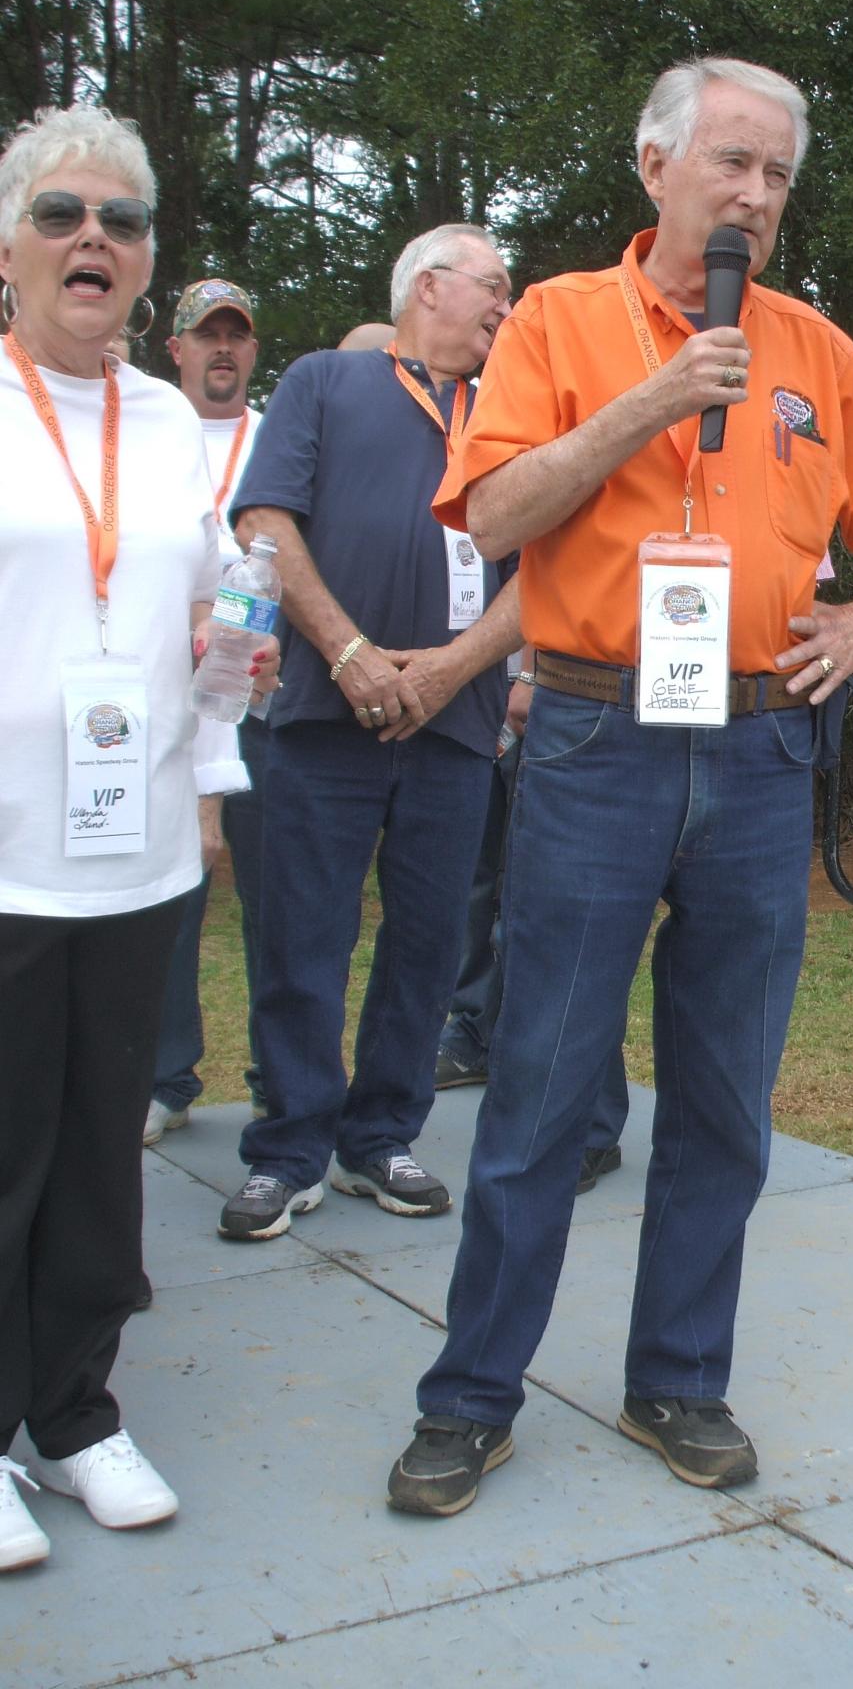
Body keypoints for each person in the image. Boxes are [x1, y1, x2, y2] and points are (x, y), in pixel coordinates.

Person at [387, 58, 853, 1517]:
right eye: (732, 164)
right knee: (540, 1085)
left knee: (724, 1098)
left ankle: (679, 1379)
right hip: (596, 741)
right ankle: (471, 1399)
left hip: (763, 749)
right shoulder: (558, 320)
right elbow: (492, 511)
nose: (756, 195)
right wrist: (654, 399)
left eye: (778, 175)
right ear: (655, 169)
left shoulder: (814, 349)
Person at [0, 105, 278, 1570]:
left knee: (104, 1149)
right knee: (6, 1146)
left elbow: (205, 607)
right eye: (59, 214)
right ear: (9, 249)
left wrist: (232, 658)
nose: (90, 238)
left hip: (139, 844)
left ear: (148, 261)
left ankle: (73, 1412)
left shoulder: (170, 424)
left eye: (119, 219)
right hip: (5, 853)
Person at [218, 223, 523, 1242]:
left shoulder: (511, 413)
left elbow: (548, 573)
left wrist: (450, 670)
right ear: (427, 286)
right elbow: (265, 521)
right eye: (493, 285)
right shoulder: (324, 382)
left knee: (430, 942)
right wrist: (350, 654)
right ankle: (288, 1149)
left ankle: (381, 1136)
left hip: (455, 722)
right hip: (325, 712)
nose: (506, 306)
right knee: (304, 932)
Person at [145, 278, 268, 1145]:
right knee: (171, 899)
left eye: (236, 335)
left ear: (252, 350)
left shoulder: (278, 436)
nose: (222, 348)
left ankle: (281, 1083)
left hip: (268, 698)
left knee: (283, 905)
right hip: (174, 697)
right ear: (176, 348)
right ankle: (164, 1076)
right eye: (205, 334)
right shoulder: (148, 433)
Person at [435, 653, 631, 1194]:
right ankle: (482, 1039)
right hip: (501, 694)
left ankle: (587, 1128)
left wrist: (529, 675)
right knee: (503, 900)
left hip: (587, 698)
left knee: (575, 921)